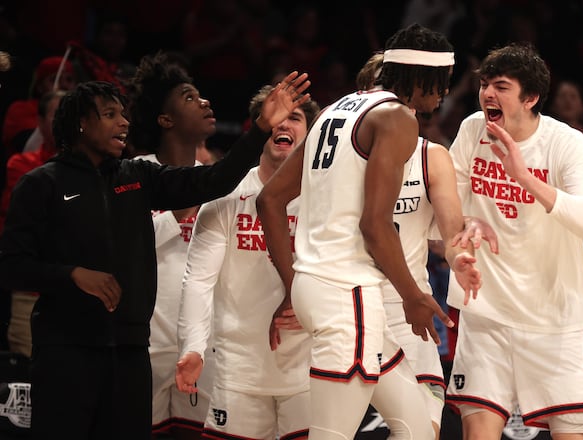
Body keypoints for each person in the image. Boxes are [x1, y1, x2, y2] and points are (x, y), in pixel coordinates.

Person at [0, 75, 310, 439]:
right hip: (67, 349)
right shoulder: (40, 184)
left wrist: (260, 128)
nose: (123, 122)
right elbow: (11, 267)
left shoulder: (136, 176)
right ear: (82, 123)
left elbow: (214, 180)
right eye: (110, 114)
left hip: (131, 352)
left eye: (124, 114)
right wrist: (72, 275)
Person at [259, 24, 480, 440]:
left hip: (321, 288)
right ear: (420, 76)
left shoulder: (333, 111)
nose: (444, 93)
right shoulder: (397, 119)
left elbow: (269, 200)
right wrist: (415, 296)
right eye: (442, 82)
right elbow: (374, 226)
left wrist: (294, 283)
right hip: (349, 297)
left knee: (416, 430)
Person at [445, 43, 583, 440]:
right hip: (486, 315)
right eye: (484, 84)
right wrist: (459, 246)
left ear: (531, 97)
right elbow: (444, 208)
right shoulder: (472, 130)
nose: (487, 94)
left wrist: (525, 178)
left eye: (500, 86)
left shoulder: (565, 143)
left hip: (555, 321)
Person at [356, 51, 496, 439]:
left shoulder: (431, 156)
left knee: (422, 432)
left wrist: (459, 257)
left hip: (408, 315)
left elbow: (451, 235)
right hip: (348, 306)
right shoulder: (340, 156)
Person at [175, 85, 319, 439]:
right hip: (238, 372)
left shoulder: (327, 198)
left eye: (295, 118)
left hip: (310, 370)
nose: (284, 125)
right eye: (277, 117)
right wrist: (192, 347)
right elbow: (197, 280)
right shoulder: (225, 197)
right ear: (260, 127)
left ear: (311, 134)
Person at [124, 52, 216, 439]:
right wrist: (177, 213)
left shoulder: (220, 181)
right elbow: (122, 247)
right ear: (166, 119)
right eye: (190, 98)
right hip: (144, 345)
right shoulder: (131, 175)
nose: (205, 102)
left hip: (204, 348)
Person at [1, 90, 65, 358]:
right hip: (30, 294)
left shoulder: (99, 170)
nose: (66, 121)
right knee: (28, 383)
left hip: (77, 296)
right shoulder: (21, 165)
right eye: (57, 114)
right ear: (39, 122)